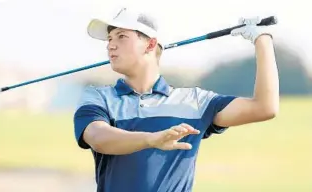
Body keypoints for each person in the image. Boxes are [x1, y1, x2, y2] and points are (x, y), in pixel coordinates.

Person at [73, 7, 279, 192]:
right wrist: (151, 139)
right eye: (109, 39)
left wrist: (262, 39)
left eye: (121, 37)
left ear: (150, 44)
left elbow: (264, 107)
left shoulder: (194, 101)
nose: (111, 46)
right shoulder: (99, 97)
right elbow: (99, 138)